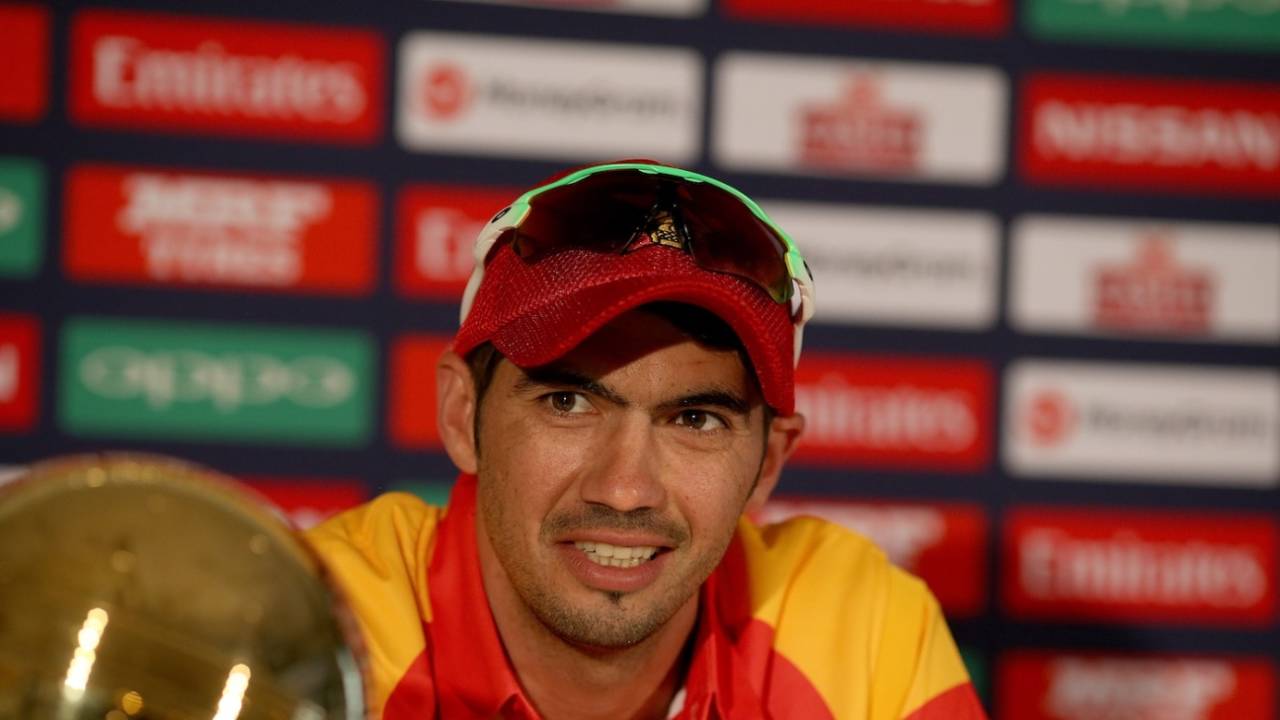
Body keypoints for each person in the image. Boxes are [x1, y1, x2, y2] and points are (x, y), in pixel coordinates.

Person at [305, 161, 986, 720]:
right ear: (461, 415)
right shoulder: (317, 633)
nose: (625, 490)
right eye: (567, 402)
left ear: (769, 460)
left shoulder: (856, 632)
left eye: (696, 420)